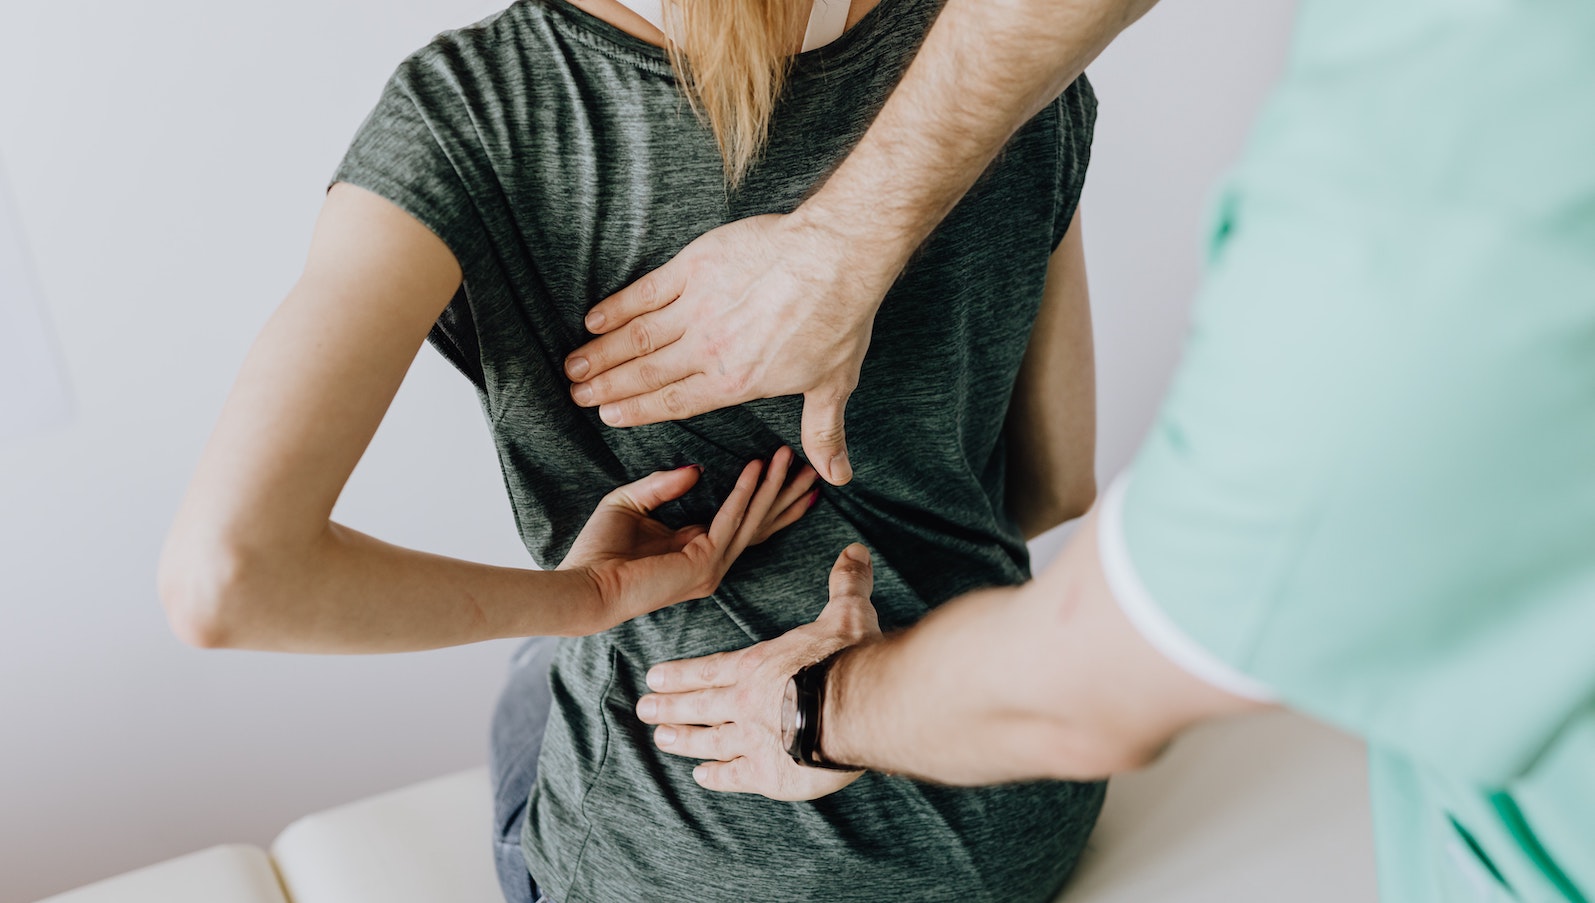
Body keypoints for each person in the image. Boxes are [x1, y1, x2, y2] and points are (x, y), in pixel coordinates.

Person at [598, 0, 1595, 900]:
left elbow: (1096, 682)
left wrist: (812, 704)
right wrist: (848, 239)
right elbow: (1052, 485)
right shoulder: (1040, 105)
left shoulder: (476, 102)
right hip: (1021, 828)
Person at [157, 0, 1110, 900]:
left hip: (697, 864)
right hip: (1010, 810)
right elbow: (1056, 482)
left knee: (536, 664)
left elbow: (231, 576)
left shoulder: (475, 107)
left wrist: (591, 596)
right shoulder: (993, 48)